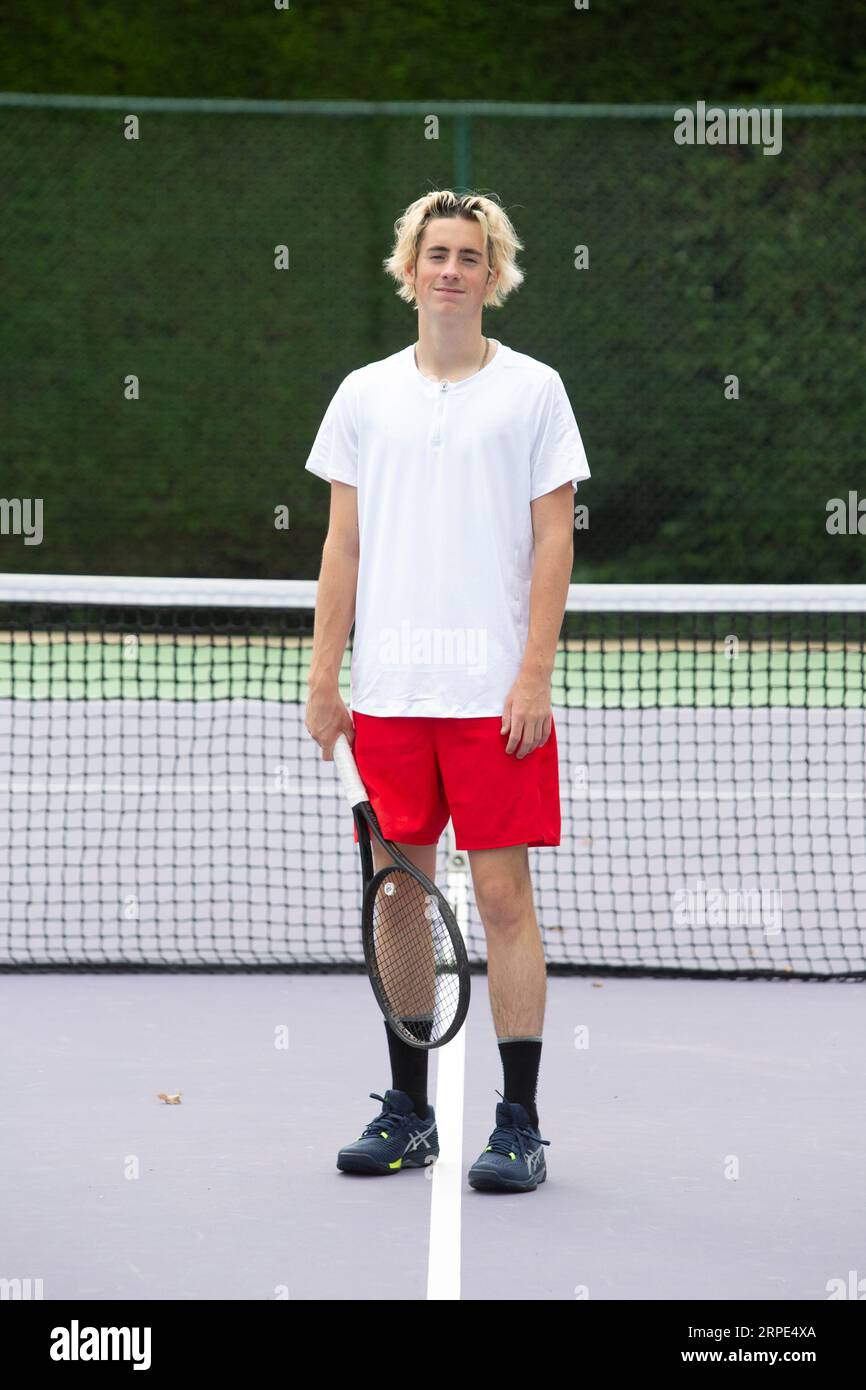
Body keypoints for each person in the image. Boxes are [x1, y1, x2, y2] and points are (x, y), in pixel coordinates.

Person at [303, 189, 590, 1193]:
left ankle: (518, 1122)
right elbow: (342, 545)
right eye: (437, 253)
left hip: (491, 701)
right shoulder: (361, 395)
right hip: (385, 697)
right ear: (409, 268)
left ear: (493, 274)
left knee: (505, 899)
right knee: (394, 897)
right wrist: (322, 674)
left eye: (471, 256)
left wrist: (531, 672)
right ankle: (410, 1113)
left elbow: (554, 541)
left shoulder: (534, 392)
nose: (452, 270)